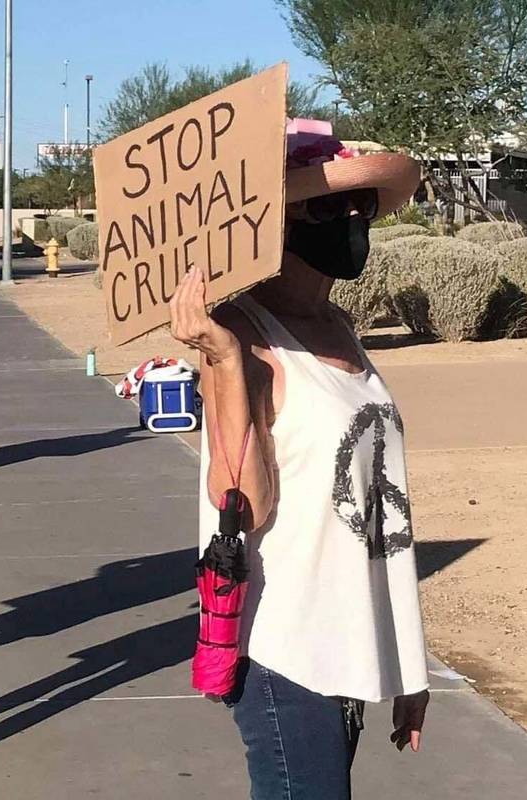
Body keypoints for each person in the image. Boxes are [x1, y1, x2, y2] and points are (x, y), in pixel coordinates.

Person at [170, 119, 431, 800]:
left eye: (359, 206)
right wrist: (223, 360)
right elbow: (242, 505)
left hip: (348, 647)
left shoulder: (340, 328)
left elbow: (381, 511)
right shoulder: (246, 337)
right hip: (285, 651)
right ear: (269, 224)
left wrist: (406, 664)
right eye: (323, 206)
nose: (349, 219)